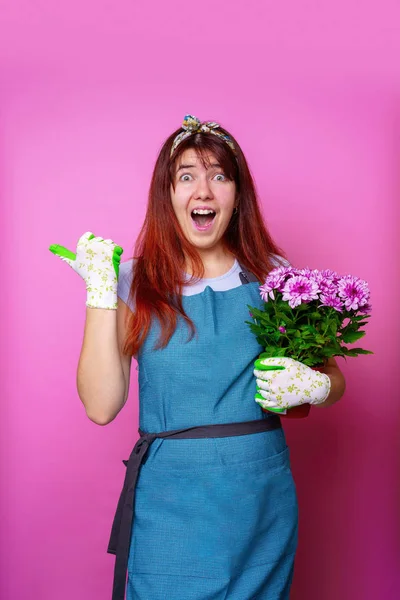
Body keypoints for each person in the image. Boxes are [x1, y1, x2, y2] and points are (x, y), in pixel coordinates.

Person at [49, 114, 345, 600]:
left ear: (237, 193)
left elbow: (334, 380)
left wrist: (314, 385)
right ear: (166, 195)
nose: (203, 190)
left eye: (219, 175)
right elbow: (101, 407)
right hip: (172, 503)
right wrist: (100, 293)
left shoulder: (273, 275)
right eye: (186, 176)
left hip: (261, 502)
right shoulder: (133, 280)